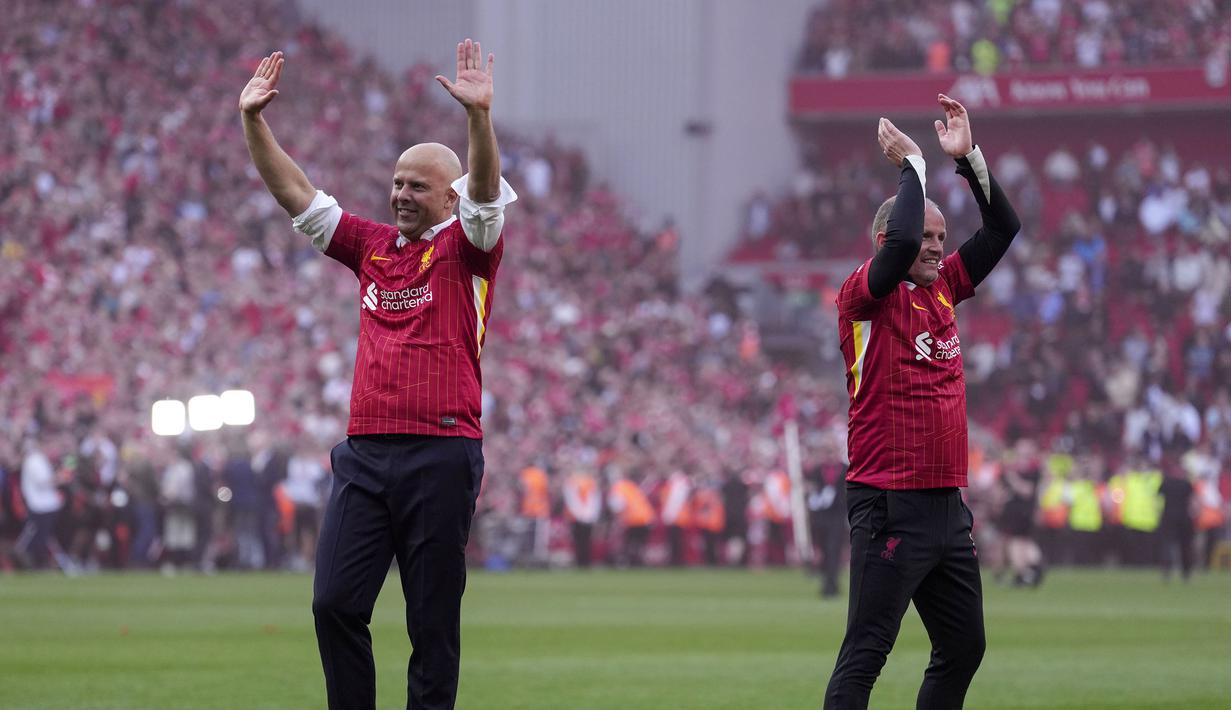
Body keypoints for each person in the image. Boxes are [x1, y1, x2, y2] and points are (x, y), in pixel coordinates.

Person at [239, 39, 517, 710]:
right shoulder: (370, 247)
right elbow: (297, 195)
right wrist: (253, 121)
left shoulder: (468, 248)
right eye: (396, 183)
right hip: (364, 453)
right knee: (333, 602)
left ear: (448, 198)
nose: (400, 194)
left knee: (431, 623)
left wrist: (479, 119)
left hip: (441, 450)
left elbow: (485, 195)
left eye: (416, 186)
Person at [825, 95, 1021, 710]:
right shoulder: (863, 298)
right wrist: (912, 165)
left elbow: (1003, 229)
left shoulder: (944, 290)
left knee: (964, 647)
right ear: (887, 243)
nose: (936, 247)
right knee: (866, 653)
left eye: (941, 237)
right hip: (889, 500)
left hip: (945, 505)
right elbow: (902, 235)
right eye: (925, 238)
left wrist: (970, 160)